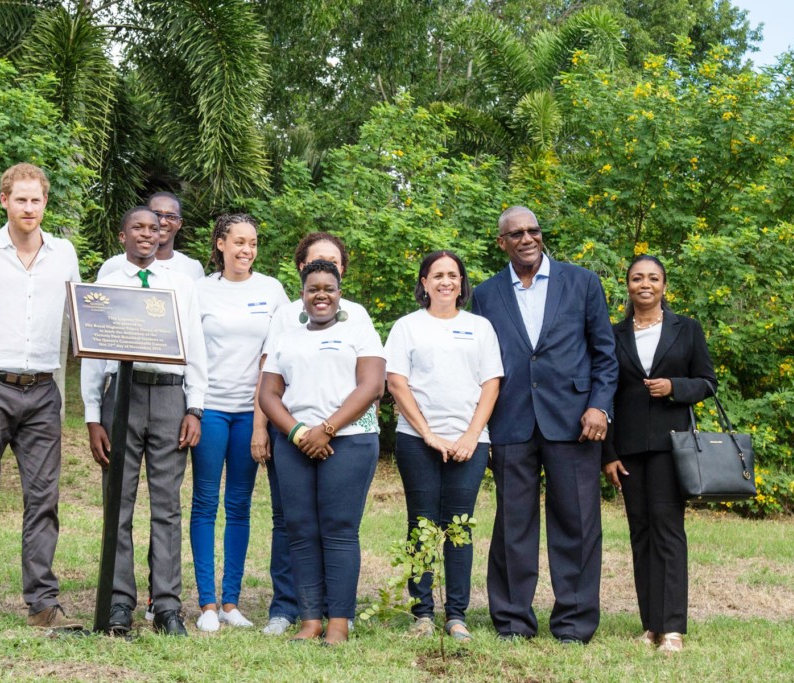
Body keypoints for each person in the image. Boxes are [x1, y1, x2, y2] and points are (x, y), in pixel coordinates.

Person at [471, 206, 617, 644]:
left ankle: (573, 624)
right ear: (502, 243)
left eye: (533, 230)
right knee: (513, 525)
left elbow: (605, 355)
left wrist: (600, 407)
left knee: (577, 523)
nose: (526, 238)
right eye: (515, 233)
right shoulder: (485, 293)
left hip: (575, 422)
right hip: (511, 420)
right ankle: (513, 622)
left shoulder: (583, 282)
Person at [0, 163, 82, 633]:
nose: (29, 208)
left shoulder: (64, 254)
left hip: (42, 392)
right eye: (21, 199)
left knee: (43, 499)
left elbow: (78, 322)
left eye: (37, 200)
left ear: (45, 204)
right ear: (4, 200)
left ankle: (42, 603)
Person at [81, 207, 208, 637]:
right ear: (122, 236)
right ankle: (119, 603)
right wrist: (94, 416)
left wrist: (195, 407)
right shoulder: (108, 284)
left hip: (170, 394)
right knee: (119, 501)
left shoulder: (181, 286)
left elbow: (196, 347)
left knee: (167, 506)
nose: (147, 234)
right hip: (124, 396)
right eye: (138, 227)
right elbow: (94, 356)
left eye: (154, 228)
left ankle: (167, 606)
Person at [259, 260, 385, 645]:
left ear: (339, 292)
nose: (321, 295)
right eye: (313, 288)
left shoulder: (360, 331)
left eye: (328, 288)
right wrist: (298, 433)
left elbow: (372, 386)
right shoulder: (288, 337)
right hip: (295, 444)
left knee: (339, 530)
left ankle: (339, 622)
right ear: (302, 294)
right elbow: (268, 393)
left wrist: (326, 429)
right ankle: (310, 620)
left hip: (349, 441)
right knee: (300, 530)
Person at [384, 250, 503, 641]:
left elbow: (491, 384)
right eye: (437, 275)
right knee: (422, 524)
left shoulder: (480, 327)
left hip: (470, 443)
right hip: (417, 441)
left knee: (459, 526)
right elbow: (397, 383)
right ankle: (422, 612)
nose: (445, 282)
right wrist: (429, 435)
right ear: (424, 282)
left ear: (462, 283)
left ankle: (456, 615)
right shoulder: (407, 327)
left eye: (453, 275)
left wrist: (471, 436)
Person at [601, 255, 716, 654]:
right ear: (628, 286)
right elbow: (606, 393)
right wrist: (608, 453)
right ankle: (649, 625)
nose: (644, 284)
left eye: (653, 278)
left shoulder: (688, 329)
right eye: (637, 278)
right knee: (641, 533)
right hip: (628, 450)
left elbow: (707, 383)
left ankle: (672, 629)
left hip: (672, 447)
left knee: (668, 532)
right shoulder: (612, 335)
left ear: (665, 286)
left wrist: (675, 388)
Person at [190, 214, 289, 632]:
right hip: (210, 408)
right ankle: (207, 603)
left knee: (240, 506)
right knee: (205, 504)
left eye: (252, 243)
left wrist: (262, 423)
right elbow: (191, 354)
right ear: (220, 245)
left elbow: (276, 358)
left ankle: (231, 602)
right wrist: (193, 410)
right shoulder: (199, 291)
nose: (246, 250)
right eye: (238, 242)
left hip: (252, 414)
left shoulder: (272, 291)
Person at [97, 192, 204, 281]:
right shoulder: (114, 266)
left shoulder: (192, 268)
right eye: (156, 214)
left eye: (171, 216)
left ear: (179, 223)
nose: (162, 222)